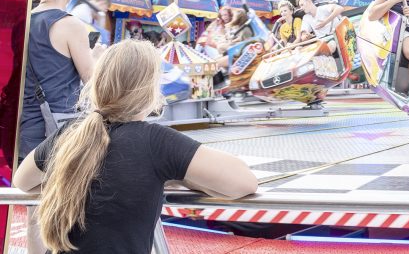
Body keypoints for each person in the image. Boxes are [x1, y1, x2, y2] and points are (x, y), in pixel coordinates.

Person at [13, 39, 257, 254]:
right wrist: (182, 179)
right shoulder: (156, 143)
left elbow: (23, 181)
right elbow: (244, 182)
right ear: (150, 91)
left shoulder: (71, 133)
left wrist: (71, 172)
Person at [20, 0, 107, 254]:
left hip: (25, 125)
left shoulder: (24, 21)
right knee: (65, 202)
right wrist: (96, 55)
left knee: (34, 205)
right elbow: (90, 79)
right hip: (59, 129)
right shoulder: (70, 24)